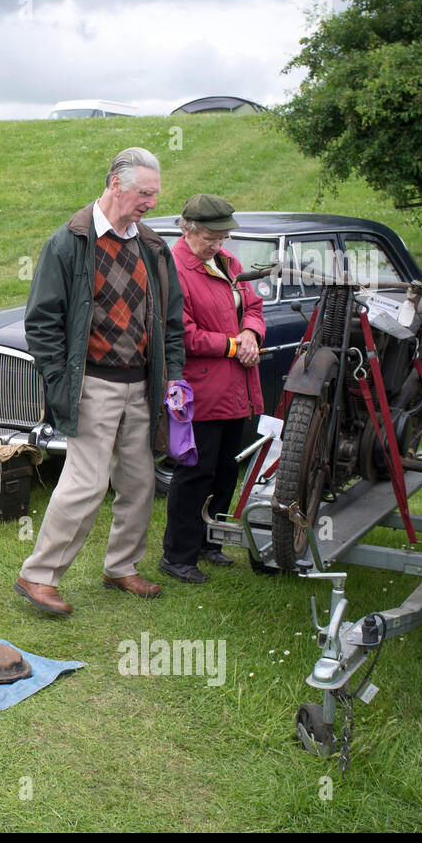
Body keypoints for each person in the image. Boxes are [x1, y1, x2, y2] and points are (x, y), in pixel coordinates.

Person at [14, 147, 185, 614]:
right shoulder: (68, 242)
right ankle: (39, 576)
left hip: (142, 386)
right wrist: (58, 379)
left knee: (139, 481)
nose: (151, 203)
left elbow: (171, 323)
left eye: (155, 194)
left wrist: (174, 379)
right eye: (144, 193)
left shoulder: (152, 247)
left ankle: (122, 567)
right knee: (86, 482)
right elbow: (42, 322)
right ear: (116, 184)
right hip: (91, 383)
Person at [160, 195, 264, 582]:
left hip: (235, 388)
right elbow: (181, 332)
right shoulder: (174, 269)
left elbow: (253, 305)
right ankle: (178, 555)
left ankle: (210, 542)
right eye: (210, 237)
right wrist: (234, 345)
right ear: (186, 229)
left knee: (225, 469)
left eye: (224, 236)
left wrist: (252, 332)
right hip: (197, 391)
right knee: (194, 472)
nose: (218, 244)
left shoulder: (230, 264)